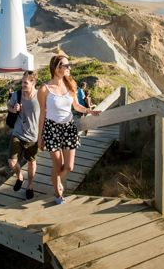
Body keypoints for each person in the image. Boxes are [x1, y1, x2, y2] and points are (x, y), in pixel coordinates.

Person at [37, 55, 100, 205]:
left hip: (69, 128)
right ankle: (58, 194)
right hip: (52, 129)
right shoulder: (44, 89)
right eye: (66, 65)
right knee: (58, 166)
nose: (69, 68)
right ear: (57, 68)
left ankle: (56, 178)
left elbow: (76, 106)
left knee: (69, 167)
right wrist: (40, 137)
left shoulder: (71, 85)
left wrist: (89, 111)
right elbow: (42, 114)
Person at [7, 71, 40, 199]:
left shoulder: (40, 96)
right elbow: (8, 105)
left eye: (25, 82)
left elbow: (45, 115)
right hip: (18, 133)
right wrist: (13, 109)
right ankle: (19, 176)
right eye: (22, 81)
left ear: (33, 83)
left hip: (33, 136)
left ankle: (30, 185)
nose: (22, 84)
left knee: (31, 162)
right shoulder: (17, 94)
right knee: (11, 162)